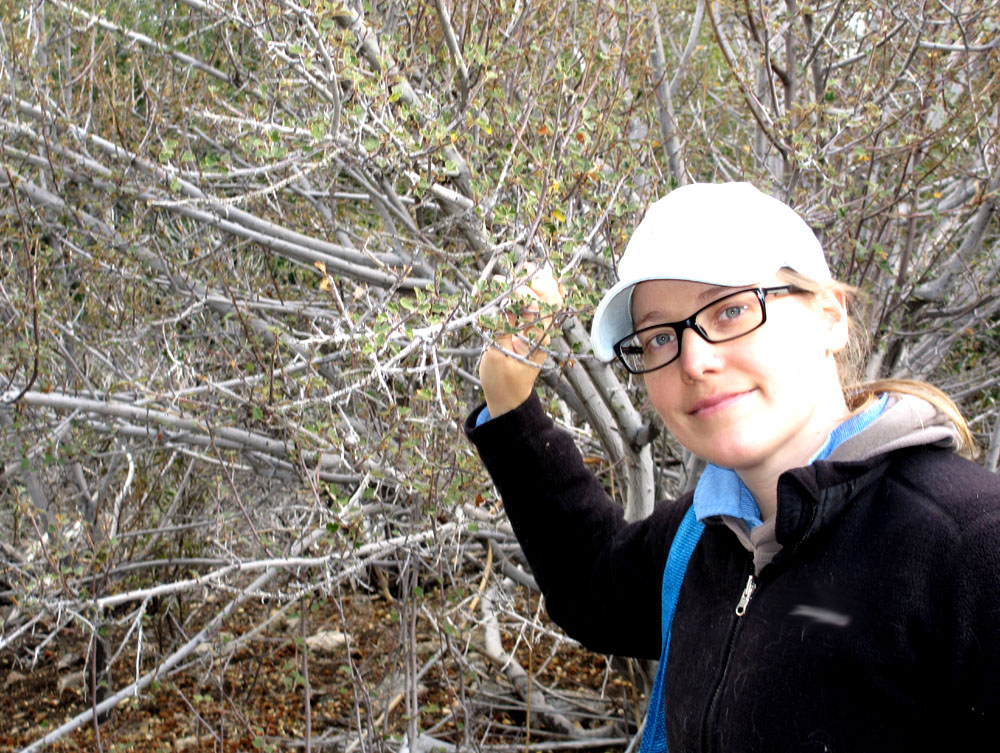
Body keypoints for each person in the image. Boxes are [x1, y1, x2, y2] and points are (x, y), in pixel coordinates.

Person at [464, 182, 1000, 752]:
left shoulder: (968, 548)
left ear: (830, 317)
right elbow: (593, 588)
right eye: (658, 337)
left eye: (732, 310)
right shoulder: (705, 536)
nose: (694, 360)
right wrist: (511, 409)